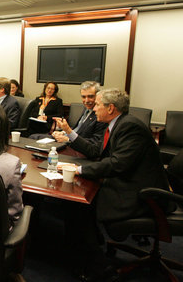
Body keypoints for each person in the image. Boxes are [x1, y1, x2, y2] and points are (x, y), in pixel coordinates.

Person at [63, 88, 170, 281]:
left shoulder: (130, 127)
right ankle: (87, 252)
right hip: (131, 182)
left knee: (80, 204)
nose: (93, 108)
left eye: (97, 104)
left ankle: (97, 267)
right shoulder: (116, 124)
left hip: (144, 195)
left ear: (110, 108)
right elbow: (97, 151)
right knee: (79, 202)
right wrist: (70, 135)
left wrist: (79, 170)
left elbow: (118, 163)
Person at [52, 81, 108, 158]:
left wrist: (68, 139)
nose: (87, 100)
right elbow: (78, 129)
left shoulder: (101, 116)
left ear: (98, 96)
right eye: (83, 97)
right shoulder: (86, 109)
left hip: (80, 150)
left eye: (90, 96)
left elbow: (94, 143)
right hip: (69, 143)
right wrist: (63, 131)